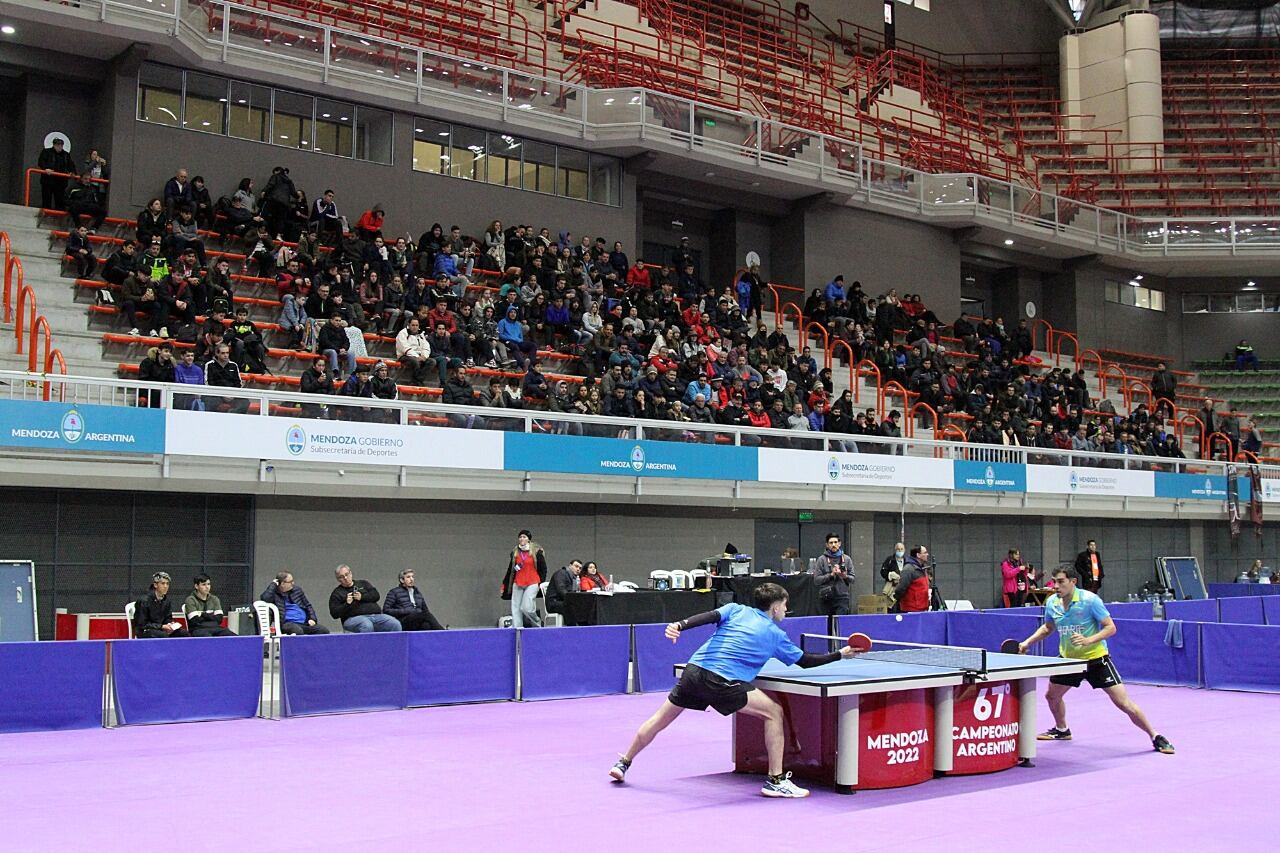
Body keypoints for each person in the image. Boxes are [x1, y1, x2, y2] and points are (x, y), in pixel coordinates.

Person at [609, 583, 857, 798]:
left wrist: (680, 625)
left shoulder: (735, 609)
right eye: (784, 605)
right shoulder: (775, 634)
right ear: (774, 607)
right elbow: (806, 661)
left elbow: (707, 617)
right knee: (774, 712)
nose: (785, 610)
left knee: (660, 719)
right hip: (722, 679)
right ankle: (776, 781)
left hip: (694, 671)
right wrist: (841, 654)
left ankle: (624, 762)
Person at [1017, 566, 1175, 755]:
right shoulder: (1052, 602)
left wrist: (1088, 640)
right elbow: (1048, 627)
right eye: (1054, 581)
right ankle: (1062, 730)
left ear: (1073, 582)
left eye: (1061, 582)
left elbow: (1110, 627)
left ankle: (1155, 736)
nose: (1056, 586)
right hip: (1069, 661)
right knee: (1052, 696)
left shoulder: (1090, 600)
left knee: (1123, 703)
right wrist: (1027, 643)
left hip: (1096, 660)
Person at [329, 565, 401, 633]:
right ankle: (367, 646)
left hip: (376, 616)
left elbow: (376, 596)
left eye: (346, 574)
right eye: (341, 577)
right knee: (366, 625)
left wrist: (362, 597)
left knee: (395, 624)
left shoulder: (363, 583)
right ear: (338, 579)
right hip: (353, 619)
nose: (345, 578)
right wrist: (347, 604)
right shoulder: (337, 593)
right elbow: (334, 614)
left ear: (351, 573)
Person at [500, 529, 548, 628]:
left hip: (533, 582)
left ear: (529, 539)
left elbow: (543, 568)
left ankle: (538, 624)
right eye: (520, 537)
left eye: (524, 537)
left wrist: (540, 583)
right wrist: (504, 584)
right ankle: (517, 628)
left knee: (527, 608)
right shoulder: (515, 552)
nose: (522, 539)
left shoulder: (536, 551)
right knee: (516, 608)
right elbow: (510, 570)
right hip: (518, 582)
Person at [259, 572, 329, 634]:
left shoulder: (297, 590)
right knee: (297, 631)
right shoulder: (274, 594)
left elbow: (308, 605)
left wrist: (313, 618)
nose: (293, 583)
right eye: (290, 581)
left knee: (323, 630)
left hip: (305, 623)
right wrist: (273, 584)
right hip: (288, 624)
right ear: (283, 583)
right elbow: (265, 599)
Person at [132, 572, 191, 638]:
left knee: (184, 634)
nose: (165, 586)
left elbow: (167, 618)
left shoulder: (166, 601)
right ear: (155, 585)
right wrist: (161, 626)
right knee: (163, 635)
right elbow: (142, 624)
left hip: (161, 629)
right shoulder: (144, 601)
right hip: (145, 631)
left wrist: (170, 624)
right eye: (163, 583)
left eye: (167, 584)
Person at [812, 532, 854, 616]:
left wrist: (844, 576)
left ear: (839, 543)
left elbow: (853, 579)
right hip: (826, 597)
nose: (833, 545)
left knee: (841, 625)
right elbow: (816, 580)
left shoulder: (846, 559)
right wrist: (831, 575)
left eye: (835, 542)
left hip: (842, 597)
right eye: (831, 543)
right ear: (827, 545)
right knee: (827, 625)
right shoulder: (821, 560)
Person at [37, 137, 75, 209]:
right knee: (46, 200)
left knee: (60, 201)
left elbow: (71, 165)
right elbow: (41, 162)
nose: (60, 146)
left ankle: (59, 217)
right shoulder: (46, 152)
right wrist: (46, 169)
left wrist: (72, 172)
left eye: (61, 145)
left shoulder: (66, 155)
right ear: (54, 145)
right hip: (48, 180)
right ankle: (45, 215)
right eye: (58, 145)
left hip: (61, 182)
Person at [893, 546, 931, 613]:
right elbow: (900, 588)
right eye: (925, 553)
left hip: (921, 609)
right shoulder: (909, 569)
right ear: (918, 555)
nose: (927, 554)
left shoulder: (922, 569)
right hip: (911, 610)